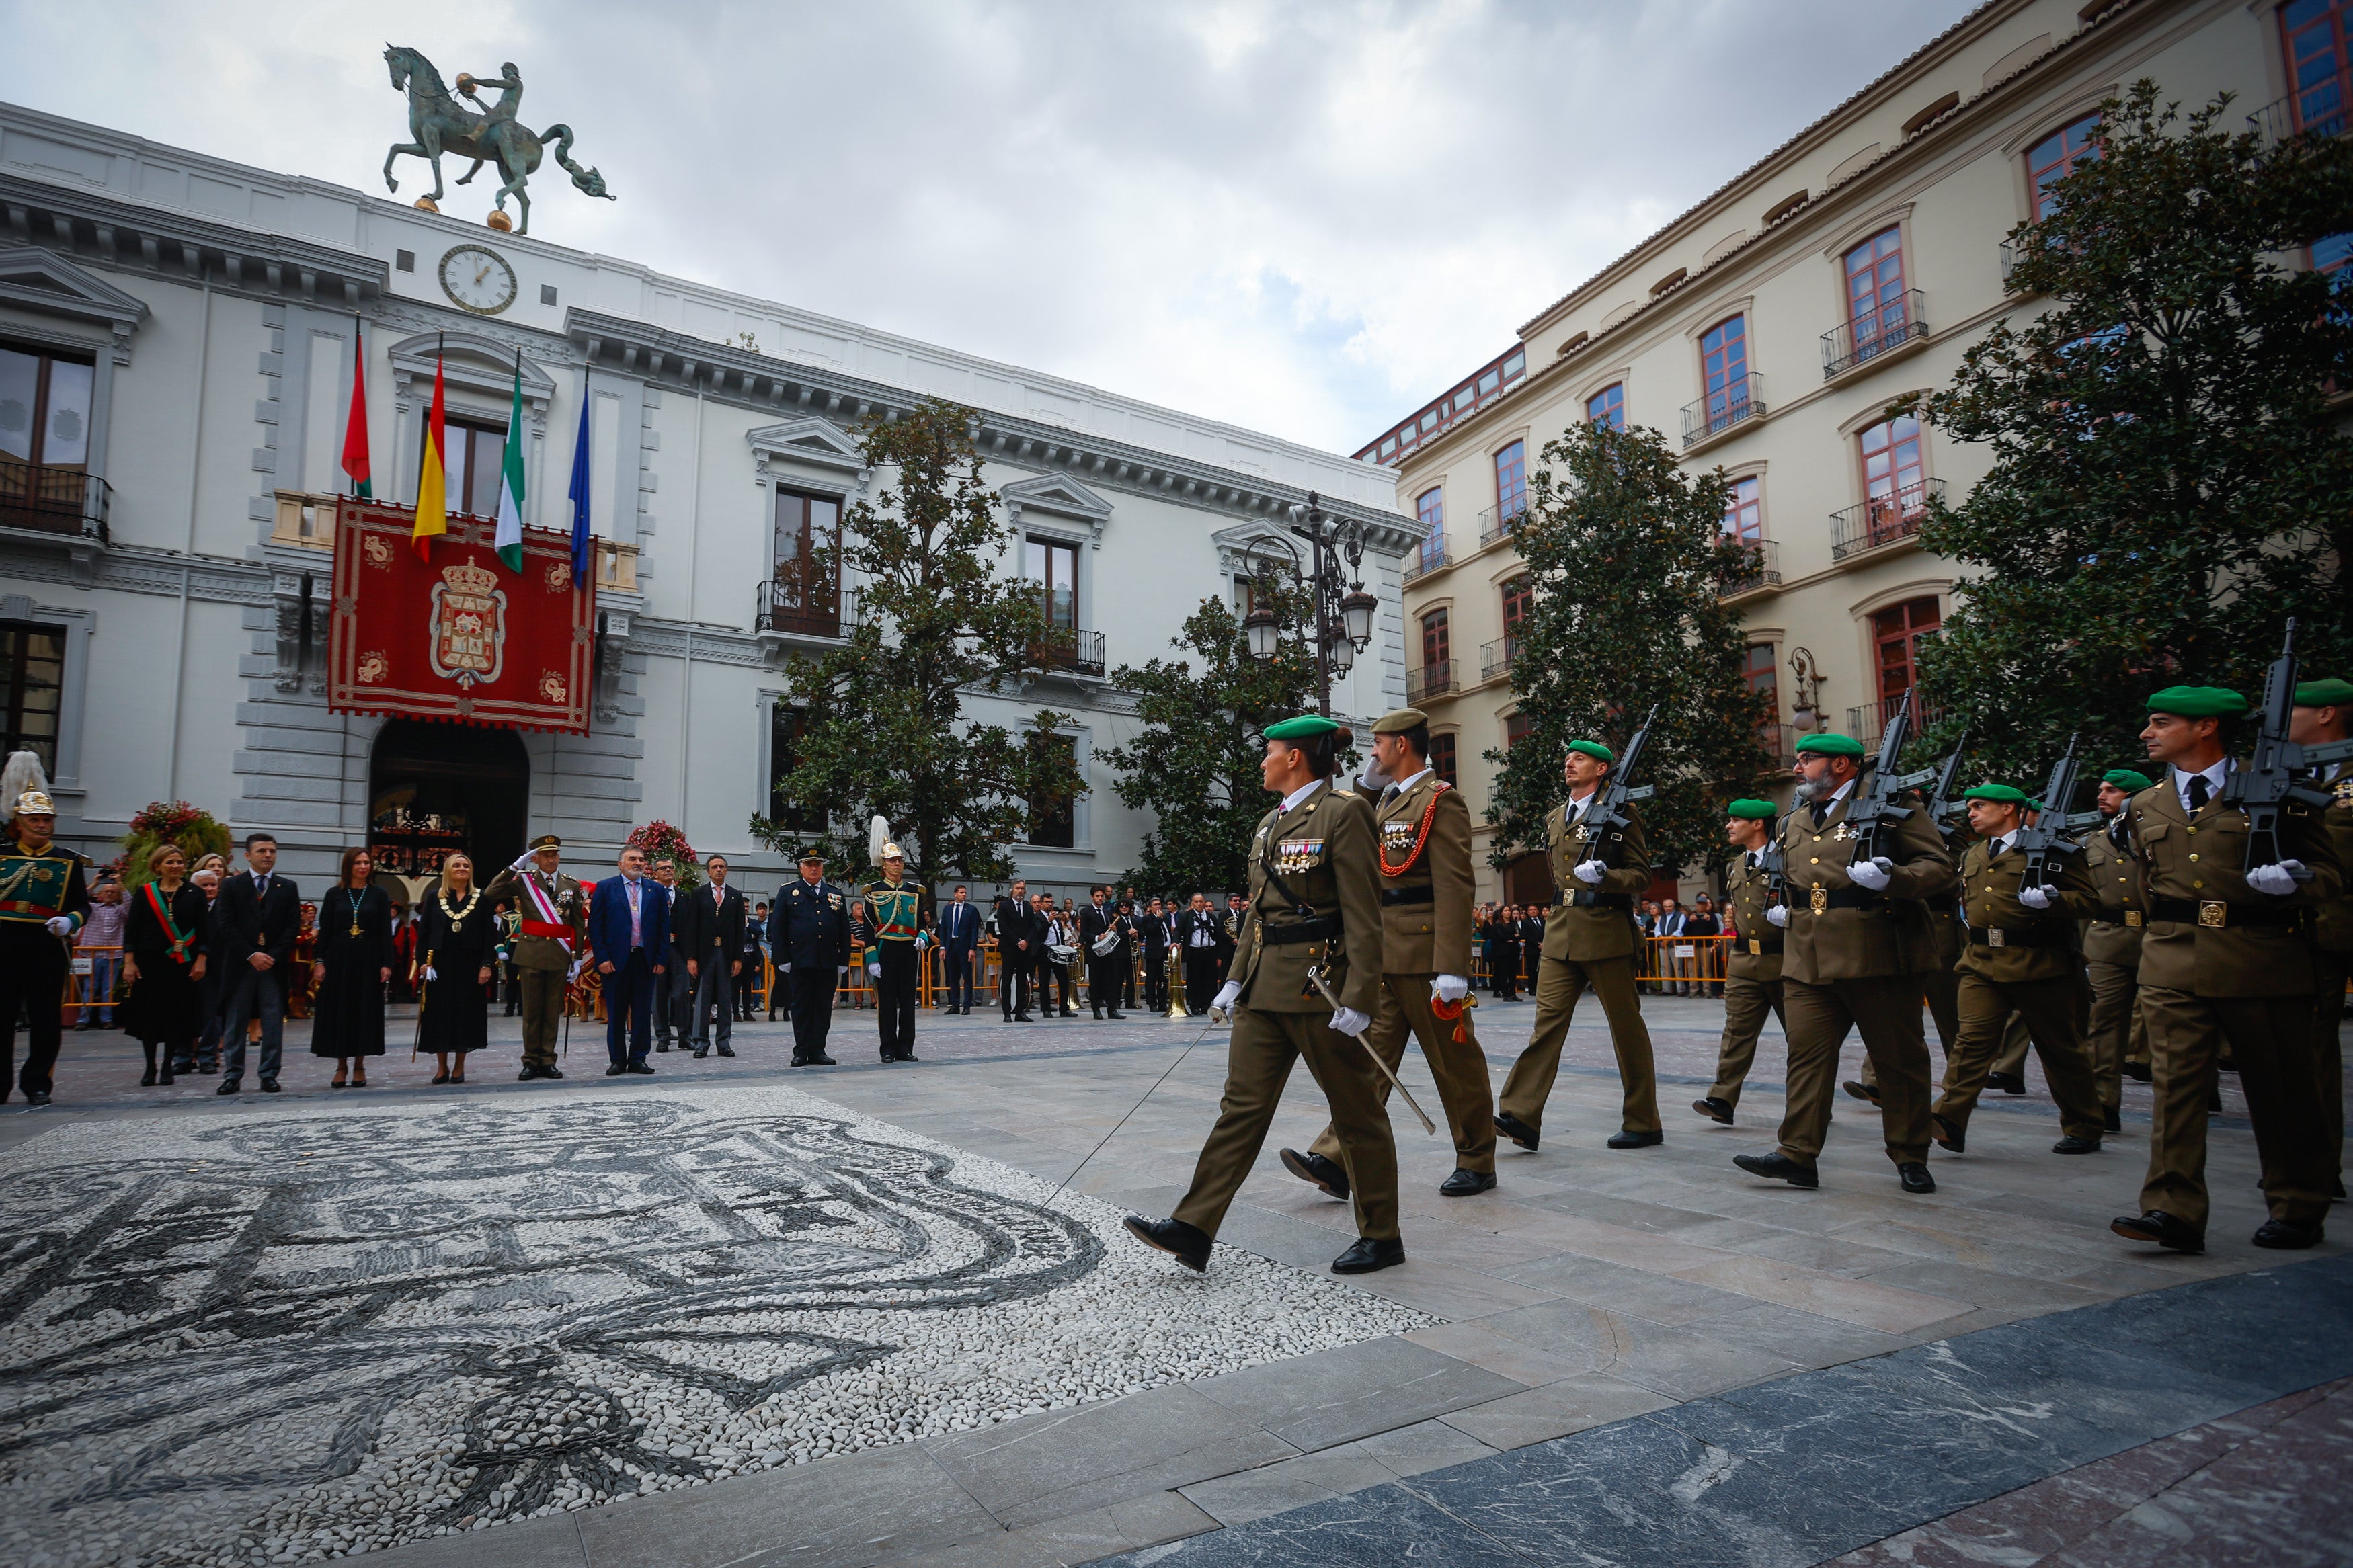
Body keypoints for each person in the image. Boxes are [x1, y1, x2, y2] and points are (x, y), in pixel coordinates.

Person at [1125, 714, 1401, 1276]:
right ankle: (1195, 1225)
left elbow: (1364, 914)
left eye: (1270, 751)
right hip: (1263, 987)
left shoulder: (1343, 812)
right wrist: (1233, 979)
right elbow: (1259, 914)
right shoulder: (1268, 824)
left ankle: (1382, 1234)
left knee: (1356, 1113)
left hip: (1319, 988)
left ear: (1295, 757)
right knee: (1241, 1109)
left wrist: (1359, 995)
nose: (1263, 760)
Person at [2112, 684, 2338, 1254]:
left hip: (2259, 957)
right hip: (2170, 962)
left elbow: (2332, 874)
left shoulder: (2282, 794)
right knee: (2175, 1089)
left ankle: (2297, 1204)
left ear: (2206, 726)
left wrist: (2297, 882)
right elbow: (2149, 887)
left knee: (2279, 1088)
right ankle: (2171, 1208)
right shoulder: (2145, 806)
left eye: (2160, 722)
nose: (2148, 733)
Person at [1282, 706, 1497, 1201]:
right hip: (1384, 952)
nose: (1373, 751)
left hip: (1424, 954)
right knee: (1368, 1062)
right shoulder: (1385, 801)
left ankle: (1477, 1157)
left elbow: (1455, 885)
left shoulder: (1440, 800)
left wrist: (1452, 966)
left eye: (1379, 743)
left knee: (1454, 1061)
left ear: (1402, 744)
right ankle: (1336, 1158)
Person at [1733, 731, 1952, 1195]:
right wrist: (1782, 908)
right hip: (1808, 957)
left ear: (1843, 765)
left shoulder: (1893, 807)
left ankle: (1911, 1153)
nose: (1798, 766)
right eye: (1799, 758)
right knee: (1807, 1058)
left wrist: (1895, 877)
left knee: (1898, 1062)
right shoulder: (1793, 821)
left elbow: (1939, 866)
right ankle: (1797, 1153)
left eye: (1808, 759)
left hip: (1877, 953)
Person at [1494, 737, 1663, 1154]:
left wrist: (1606, 876)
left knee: (1626, 1030)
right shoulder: (1556, 817)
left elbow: (1641, 875)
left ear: (1602, 769)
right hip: (1560, 932)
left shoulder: (1623, 815)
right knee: (1545, 1027)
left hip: (1606, 931)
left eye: (1580, 759)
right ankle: (1520, 1115)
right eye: (1568, 757)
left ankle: (1643, 1121)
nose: (1570, 763)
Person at [1929, 782, 2108, 1157]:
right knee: (1971, 1042)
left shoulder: (2054, 851)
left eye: (1980, 806)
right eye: (1970, 806)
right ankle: (1948, 1119)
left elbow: (2090, 901)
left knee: (2060, 1049)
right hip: (1981, 963)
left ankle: (2084, 1124)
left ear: (2009, 808)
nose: (1972, 813)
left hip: (2041, 964)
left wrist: (2054, 901)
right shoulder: (1975, 854)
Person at [2288, 677, 2350, 1198]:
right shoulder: (2285, 775)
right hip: (2315, 931)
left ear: (2326, 714)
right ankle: (2319, 1167)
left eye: (2294, 710)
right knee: (2311, 1052)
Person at [1693, 800, 1787, 1126]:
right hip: (1745, 959)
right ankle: (1722, 1099)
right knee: (1736, 1032)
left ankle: (1814, 1101)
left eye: (1736, 821)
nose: (1729, 826)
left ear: (1758, 824)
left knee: (1802, 1038)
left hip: (1785, 958)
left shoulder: (1786, 859)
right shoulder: (1736, 865)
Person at [2081, 769, 2155, 1130]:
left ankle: (2203, 1091)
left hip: (2156, 936)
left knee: (2172, 1024)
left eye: (2113, 790)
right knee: (2105, 1024)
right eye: (2101, 789)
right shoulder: (2090, 843)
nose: (2103, 795)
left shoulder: (2157, 833)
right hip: (2107, 940)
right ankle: (2103, 1104)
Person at [482, 833, 587, 1081]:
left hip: (560, 954)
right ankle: (530, 1060)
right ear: (536, 858)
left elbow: (577, 923)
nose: (552, 859)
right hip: (531, 954)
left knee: (552, 1010)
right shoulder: (524, 880)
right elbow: (491, 891)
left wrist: (578, 957)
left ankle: (548, 1060)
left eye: (555, 854)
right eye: (546, 855)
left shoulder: (570, 884)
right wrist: (516, 865)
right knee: (531, 1011)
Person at [215, 832, 299, 1097]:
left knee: (273, 1021)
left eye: (272, 851)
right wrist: (251, 955)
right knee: (236, 1021)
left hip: (272, 966)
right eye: (262, 851)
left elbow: (292, 927)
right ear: (248, 855)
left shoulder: (287, 887)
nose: (268, 855)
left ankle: (269, 1074)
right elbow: (227, 925)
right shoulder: (231, 886)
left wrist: (271, 955)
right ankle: (232, 1075)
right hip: (242, 965)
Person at [309, 846, 392, 1088]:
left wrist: (387, 963)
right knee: (340, 1011)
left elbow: (386, 932)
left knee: (363, 1011)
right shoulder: (334, 894)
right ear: (349, 866)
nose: (363, 867)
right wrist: (319, 961)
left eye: (367, 862)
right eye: (358, 863)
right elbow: (325, 930)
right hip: (339, 958)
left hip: (368, 957)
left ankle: (359, 1065)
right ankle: (341, 1065)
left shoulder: (379, 894)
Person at [589, 845, 670, 1077]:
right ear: (620, 864)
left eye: (641, 859)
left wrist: (661, 958)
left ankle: (638, 1058)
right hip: (615, 962)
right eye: (632, 859)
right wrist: (602, 957)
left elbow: (664, 927)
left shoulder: (656, 890)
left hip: (645, 960)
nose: (638, 863)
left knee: (643, 1012)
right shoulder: (605, 888)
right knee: (616, 1011)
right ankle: (617, 1059)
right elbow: (596, 926)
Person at [415, 852, 495, 1084]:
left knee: (465, 1015)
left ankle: (459, 1067)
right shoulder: (434, 897)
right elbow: (424, 934)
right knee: (440, 1015)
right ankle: (442, 1067)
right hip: (440, 966)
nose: (462, 869)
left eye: (466, 865)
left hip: (470, 966)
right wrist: (422, 962)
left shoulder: (481, 898)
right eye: (457, 865)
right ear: (448, 870)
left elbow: (489, 936)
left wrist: (486, 965)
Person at [770, 850, 851, 1064]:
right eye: (809, 865)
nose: (813, 868)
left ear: (822, 868)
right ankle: (801, 1050)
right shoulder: (789, 893)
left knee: (823, 1007)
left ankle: (818, 1050)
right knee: (801, 1006)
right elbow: (777, 928)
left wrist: (843, 960)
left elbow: (844, 929)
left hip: (827, 961)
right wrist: (783, 959)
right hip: (799, 960)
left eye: (817, 864)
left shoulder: (835, 894)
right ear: (801, 868)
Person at [863, 843, 928, 1061]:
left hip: (909, 950)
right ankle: (888, 1048)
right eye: (892, 860)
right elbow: (868, 929)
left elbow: (922, 923)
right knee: (888, 1003)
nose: (897, 863)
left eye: (899, 859)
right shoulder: (873, 891)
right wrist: (872, 958)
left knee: (909, 1002)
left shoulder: (914, 891)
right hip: (886, 949)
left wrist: (923, 937)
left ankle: (906, 1047)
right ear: (884, 864)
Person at [678, 852, 747, 1059]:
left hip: (726, 954)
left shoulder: (735, 895)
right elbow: (691, 927)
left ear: (727, 870)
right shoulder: (698, 894)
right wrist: (691, 958)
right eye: (715, 867)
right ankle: (701, 1043)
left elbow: (739, 930)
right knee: (703, 999)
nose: (719, 870)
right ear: (708, 871)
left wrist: (738, 958)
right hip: (705, 954)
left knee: (726, 999)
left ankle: (724, 1042)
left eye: (722, 867)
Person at [649, 858, 692, 1051]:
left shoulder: (683, 896)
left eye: (670, 867)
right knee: (659, 994)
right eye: (663, 868)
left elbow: (692, 927)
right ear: (655, 873)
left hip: (679, 950)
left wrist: (691, 955)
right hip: (658, 950)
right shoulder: (650, 895)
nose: (668, 870)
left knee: (682, 992)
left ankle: (685, 1035)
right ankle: (663, 1036)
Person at [75, 876, 126, 1030]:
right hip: (92, 954)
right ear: (100, 894)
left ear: (118, 896)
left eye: (113, 892)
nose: (110, 894)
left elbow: (130, 904)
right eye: (107, 891)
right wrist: (96, 882)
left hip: (113, 955)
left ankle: (106, 1020)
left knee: (108, 989)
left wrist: (120, 884)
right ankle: (84, 1020)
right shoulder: (92, 908)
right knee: (90, 987)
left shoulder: (120, 911)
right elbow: (80, 898)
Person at [188, 863, 225, 1074]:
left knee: (213, 1015)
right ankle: (183, 1056)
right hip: (188, 966)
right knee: (186, 1012)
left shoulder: (224, 907)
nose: (210, 889)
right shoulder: (186, 906)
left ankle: (208, 1057)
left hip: (216, 969)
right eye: (204, 886)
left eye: (213, 885)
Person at [1079, 885, 1127, 1020]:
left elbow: (1109, 930)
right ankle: (1096, 1009)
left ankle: (1112, 1009)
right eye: (1097, 896)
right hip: (1094, 951)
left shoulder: (1106, 912)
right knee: (1095, 981)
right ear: (1092, 897)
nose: (1100, 898)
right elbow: (1084, 932)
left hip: (1107, 952)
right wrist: (1096, 937)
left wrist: (1114, 929)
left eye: (1101, 896)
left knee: (1110, 980)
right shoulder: (1086, 912)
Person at [992, 880, 1036, 1021]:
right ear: (1012, 890)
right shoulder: (1005, 906)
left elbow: (1032, 927)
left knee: (1022, 981)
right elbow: (1003, 926)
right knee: (1007, 980)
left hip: (1024, 949)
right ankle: (1007, 1012)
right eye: (1018, 888)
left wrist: (1026, 941)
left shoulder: (1028, 907)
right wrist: (1017, 941)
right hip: (1010, 948)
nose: (1020, 891)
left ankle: (1020, 1011)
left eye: (1022, 889)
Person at [936, 884, 982, 1014]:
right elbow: (944, 929)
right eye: (961, 892)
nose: (964, 895)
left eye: (965, 892)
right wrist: (942, 947)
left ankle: (967, 1005)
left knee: (967, 976)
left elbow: (974, 930)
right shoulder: (947, 909)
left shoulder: (971, 909)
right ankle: (955, 1004)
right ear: (955, 894)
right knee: (953, 976)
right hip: (951, 946)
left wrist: (972, 948)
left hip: (965, 947)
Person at [1174, 891, 1221, 1014]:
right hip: (1195, 952)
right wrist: (1175, 942)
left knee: (1209, 980)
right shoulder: (1187, 916)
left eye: (1201, 901)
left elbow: (1218, 935)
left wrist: (1218, 955)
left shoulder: (1211, 917)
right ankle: (1195, 1005)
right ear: (1192, 903)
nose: (1199, 904)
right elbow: (1178, 930)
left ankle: (1206, 1005)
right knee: (1195, 980)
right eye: (1197, 902)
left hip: (1210, 952)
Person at [1139, 896, 1170, 1013]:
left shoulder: (1165, 918)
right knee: (1152, 979)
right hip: (1153, 953)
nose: (1158, 906)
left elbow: (1167, 933)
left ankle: (1162, 1002)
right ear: (1150, 907)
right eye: (1155, 905)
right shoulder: (1147, 918)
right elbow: (1150, 931)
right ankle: (1152, 1002)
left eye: (1159, 904)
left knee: (1164, 978)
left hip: (1164, 951)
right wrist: (1158, 919)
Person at [741, 903, 768, 1021]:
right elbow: (738, 938)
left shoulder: (752, 922)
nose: (745, 909)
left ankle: (747, 1012)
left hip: (751, 958)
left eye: (747, 907)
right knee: (735, 986)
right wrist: (750, 936)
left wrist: (747, 924)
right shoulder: (733, 921)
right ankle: (736, 1012)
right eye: (743, 907)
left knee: (748, 986)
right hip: (738, 957)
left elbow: (759, 933)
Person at [1488, 902, 1519, 1001]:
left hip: (1514, 950)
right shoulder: (1498, 924)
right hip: (1504, 952)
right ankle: (1506, 994)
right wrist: (1512, 937)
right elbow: (1501, 937)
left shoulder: (1513, 923)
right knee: (1504, 973)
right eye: (1505, 911)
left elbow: (1520, 935)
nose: (1508, 912)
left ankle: (1513, 994)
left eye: (1509, 911)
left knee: (1513, 974)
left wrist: (1512, 939)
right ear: (1501, 913)